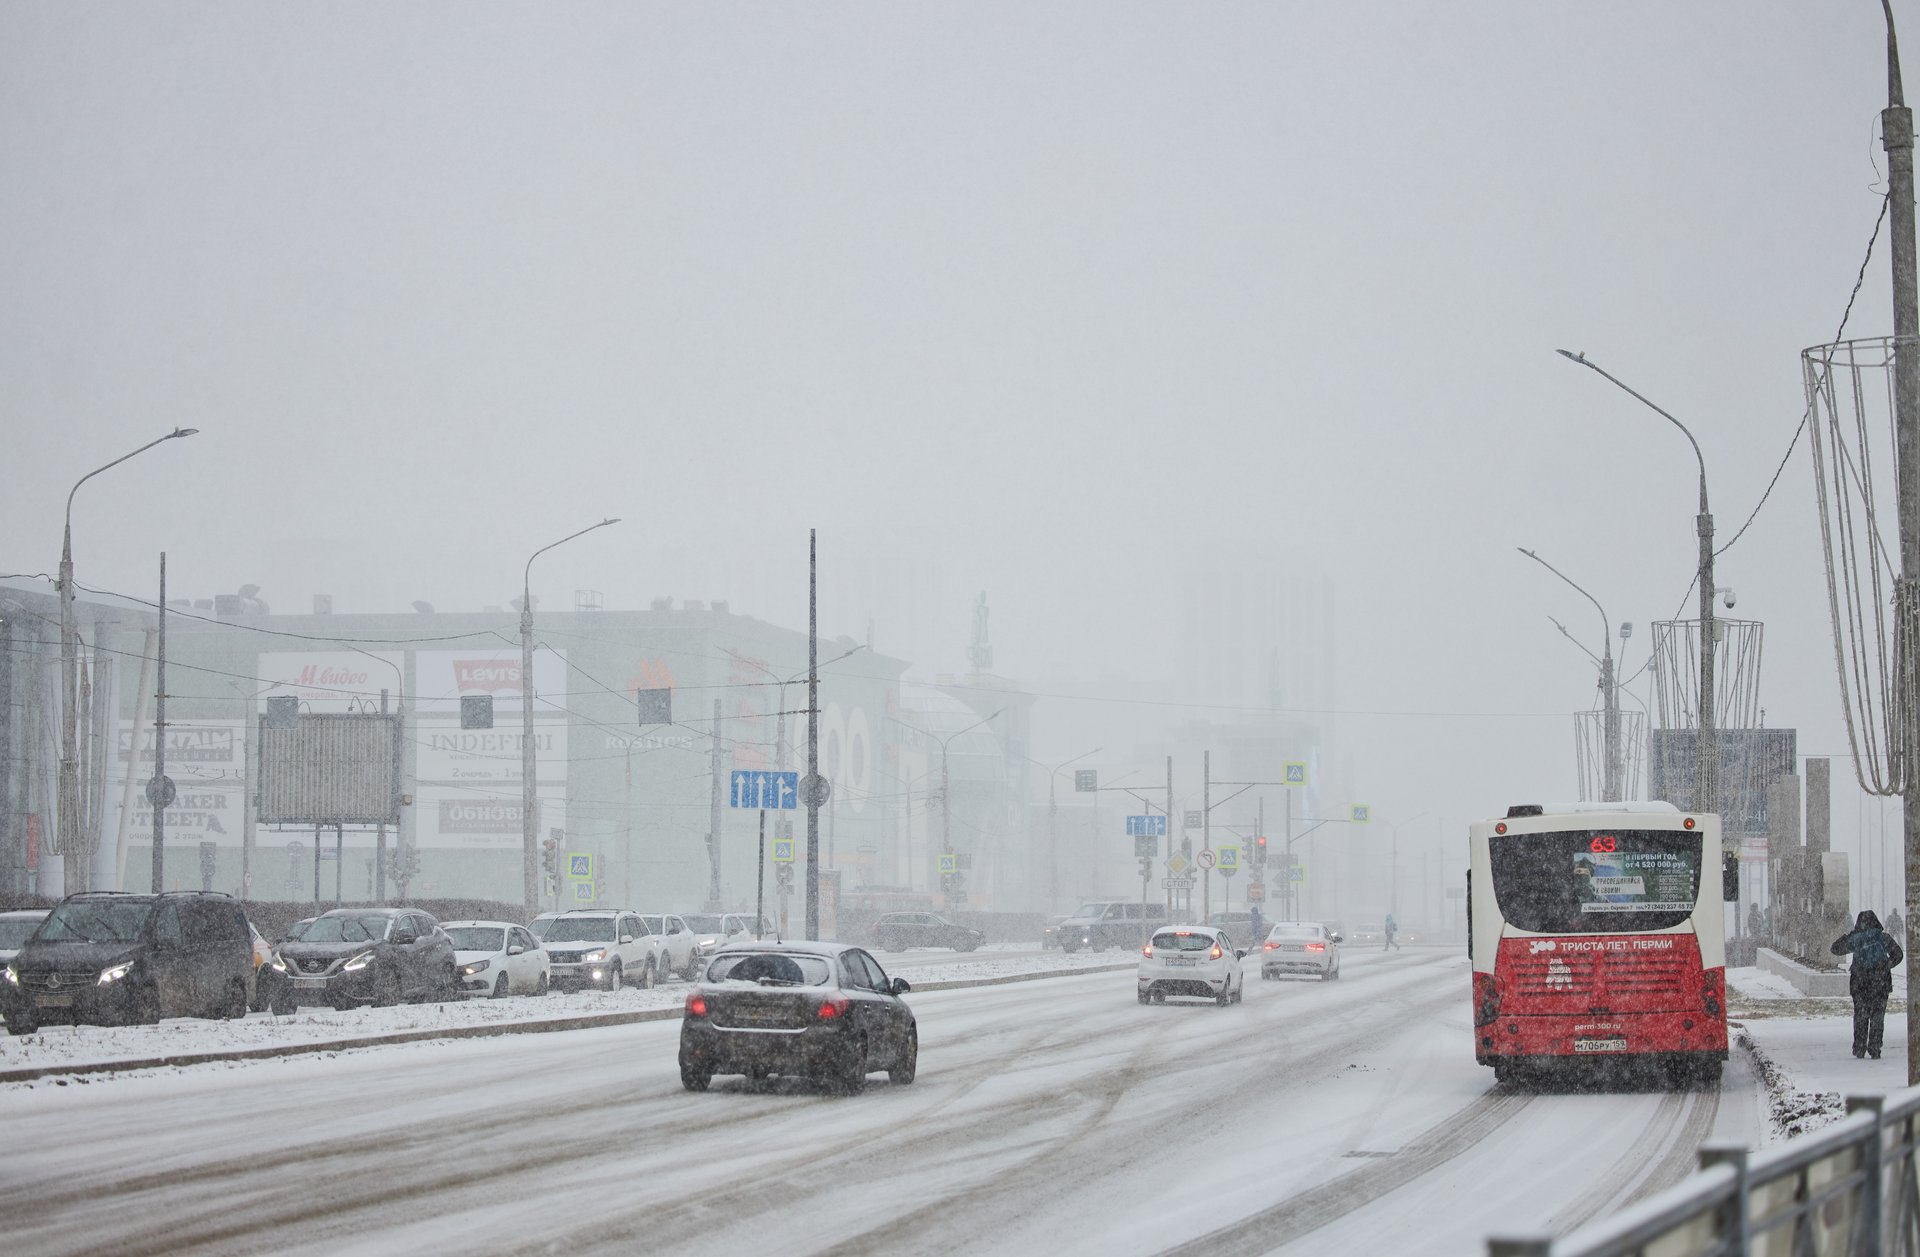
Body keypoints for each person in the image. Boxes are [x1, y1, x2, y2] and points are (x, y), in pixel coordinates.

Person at [1831, 910, 1905, 1059]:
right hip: (1881, 983)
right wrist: (1885, 966)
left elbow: (1835, 949)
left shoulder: (1856, 939)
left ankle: (1859, 1048)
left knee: (1861, 1015)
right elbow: (1898, 954)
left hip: (1860, 983)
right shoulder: (1883, 938)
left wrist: (1849, 935)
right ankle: (1875, 1047)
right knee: (1878, 1016)